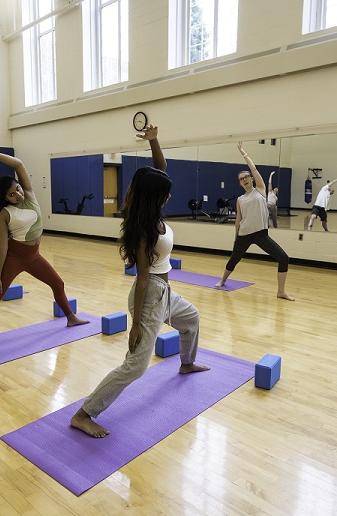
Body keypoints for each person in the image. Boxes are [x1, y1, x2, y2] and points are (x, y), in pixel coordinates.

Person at [70, 125, 209, 438]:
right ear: (153, 197)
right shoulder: (144, 230)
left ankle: (186, 363)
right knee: (135, 366)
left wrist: (154, 140)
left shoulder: (151, 210)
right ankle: (83, 414)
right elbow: (143, 277)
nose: (169, 195)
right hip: (149, 296)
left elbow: (160, 170)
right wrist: (135, 325)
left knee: (191, 319)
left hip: (165, 291)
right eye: (165, 193)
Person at [0, 150, 89, 363]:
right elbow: (2, 246)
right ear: (4, 198)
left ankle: (71, 318)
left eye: (17, 189)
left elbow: (18, 163)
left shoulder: (28, 193)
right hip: (15, 256)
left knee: (58, 283)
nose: (17, 195)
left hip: (34, 256)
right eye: (11, 194)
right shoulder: (3, 215)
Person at [214, 142, 294, 301]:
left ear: (251, 178)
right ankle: (223, 280)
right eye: (241, 179)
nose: (244, 179)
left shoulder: (260, 189)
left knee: (283, 258)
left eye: (246, 177)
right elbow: (238, 220)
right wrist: (235, 237)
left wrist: (243, 153)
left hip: (261, 234)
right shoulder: (240, 199)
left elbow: (254, 169)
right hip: (244, 235)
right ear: (239, 183)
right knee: (234, 259)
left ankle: (281, 291)